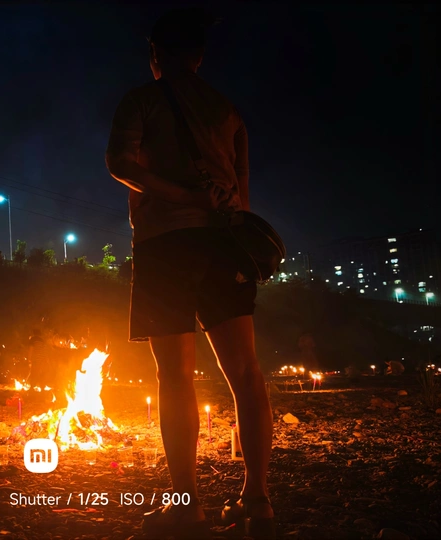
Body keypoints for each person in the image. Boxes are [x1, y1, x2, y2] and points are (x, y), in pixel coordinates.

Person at [105, 8, 274, 539]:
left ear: (155, 53)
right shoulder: (228, 111)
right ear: (199, 57)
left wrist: (181, 196)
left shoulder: (141, 100)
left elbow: (120, 163)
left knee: (176, 375)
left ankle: (188, 507)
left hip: (165, 245)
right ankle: (258, 500)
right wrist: (218, 213)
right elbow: (241, 192)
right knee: (246, 372)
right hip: (224, 245)